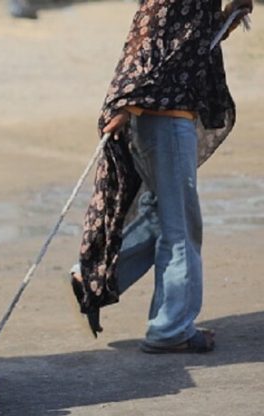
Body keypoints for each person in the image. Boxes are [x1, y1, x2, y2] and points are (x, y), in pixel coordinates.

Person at [71, 0, 253, 353]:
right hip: (165, 117)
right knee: (180, 226)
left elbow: (185, 41)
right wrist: (128, 101)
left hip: (159, 115)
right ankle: (171, 330)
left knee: (161, 216)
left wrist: (226, 19)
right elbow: (153, 35)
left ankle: (90, 277)